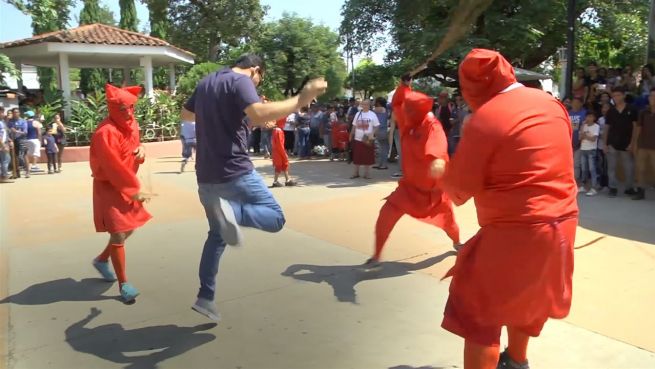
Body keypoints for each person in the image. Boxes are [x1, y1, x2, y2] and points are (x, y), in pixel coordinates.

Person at [438, 49, 578, 369]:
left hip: (515, 232)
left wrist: (440, 171)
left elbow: (459, 191)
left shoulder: (485, 119)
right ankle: (516, 361)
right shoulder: (551, 104)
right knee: (526, 301)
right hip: (563, 225)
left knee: (478, 314)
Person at [180, 53, 327, 321]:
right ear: (256, 70)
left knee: (217, 236)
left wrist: (234, 121)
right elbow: (259, 114)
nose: (256, 87)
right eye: (260, 81)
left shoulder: (207, 82)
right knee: (275, 217)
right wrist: (301, 100)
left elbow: (186, 114)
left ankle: (205, 297)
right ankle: (233, 213)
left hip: (206, 175)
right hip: (235, 172)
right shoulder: (242, 80)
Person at [365, 91, 460, 268]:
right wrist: (403, 85)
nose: (402, 112)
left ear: (417, 111)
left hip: (432, 192)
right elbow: (397, 102)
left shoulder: (432, 125)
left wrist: (438, 160)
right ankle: (376, 256)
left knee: (448, 222)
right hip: (408, 189)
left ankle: (457, 242)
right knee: (386, 213)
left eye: (407, 110)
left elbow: (438, 145)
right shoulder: (409, 119)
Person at [89, 84, 152, 303]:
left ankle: (102, 259)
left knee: (130, 228)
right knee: (118, 233)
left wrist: (142, 151)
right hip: (110, 188)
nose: (128, 113)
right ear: (113, 109)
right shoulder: (105, 132)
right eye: (123, 109)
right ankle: (124, 284)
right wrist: (134, 190)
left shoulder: (132, 124)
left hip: (128, 185)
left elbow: (137, 147)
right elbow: (112, 167)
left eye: (130, 108)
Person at [602, 87, 638, 197]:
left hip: (626, 142)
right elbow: (606, 128)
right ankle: (612, 188)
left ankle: (629, 187)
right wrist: (604, 144)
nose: (616, 98)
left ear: (623, 95)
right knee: (611, 167)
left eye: (618, 95)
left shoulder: (632, 109)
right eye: (614, 96)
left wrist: (633, 143)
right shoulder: (611, 111)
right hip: (612, 142)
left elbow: (635, 127)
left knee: (629, 167)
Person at [632, 87, 655, 200]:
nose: (652, 98)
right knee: (640, 169)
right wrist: (635, 144)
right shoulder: (643, 112)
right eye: (651, 96)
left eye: (654, 96)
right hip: (643, 146)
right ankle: (640, 191)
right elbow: (638, 129)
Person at [389, 73, 413, 178]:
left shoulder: (401, 90)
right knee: (404, 150)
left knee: (403, 150)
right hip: (405, 124)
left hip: (402, 125)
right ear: (409, 80)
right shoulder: (406, 91)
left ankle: (403, 170)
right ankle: (404, 170)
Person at [350, 99, 379, 179]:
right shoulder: (357, 114)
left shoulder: (372, 114)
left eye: (366, 104)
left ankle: (367, 174)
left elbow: (376, 126)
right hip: (358, 138)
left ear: (369, 105)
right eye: (363, 104)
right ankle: (356, 173)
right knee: (357, 157)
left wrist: (372, 133)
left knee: (368, 157)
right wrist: (351, 135)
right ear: (361, 105)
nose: (365, 106)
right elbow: (354, 125)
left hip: (368, 139)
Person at [271, 117, 297, 188]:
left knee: (284, 164)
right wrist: (284, 153)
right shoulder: (278, 131)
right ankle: (276, 181)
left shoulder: (276, 130)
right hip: (279, 151)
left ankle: (287, 180)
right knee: (280, 165)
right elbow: (279, 145)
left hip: (277, 150)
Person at [579, 111, 600, 196]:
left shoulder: (596, 126)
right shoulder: (584, 126)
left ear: (594, 118)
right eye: (587, 116)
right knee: (584, 169)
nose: (589, 118)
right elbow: (580, 137)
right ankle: (584, 186)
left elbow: (593, 139)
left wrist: (585, 136)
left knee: (592, 169)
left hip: (591, 150)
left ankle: (594, 187)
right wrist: (582, 127)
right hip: (583, 149)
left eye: (591, 117)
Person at [568, 97, 586, 187]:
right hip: (569, 142)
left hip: (581, 143)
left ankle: (576, 182)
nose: (575, 104)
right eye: (573, 102)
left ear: (581, 104)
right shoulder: (568, 113)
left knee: (577, 164)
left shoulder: (584, 113)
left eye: (577, 102)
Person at [23, 111, 43, 178]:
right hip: (34, 139)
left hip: (26, 140)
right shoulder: (35, 122)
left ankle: (28, 167)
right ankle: (34, 166)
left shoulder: (24, 122)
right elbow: (39, 132)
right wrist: (40, 140)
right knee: (36, 153)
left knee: (27, 154)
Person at [372, 97, 390, 170]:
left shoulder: (378, 109)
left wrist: (373, 103)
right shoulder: (386, 109)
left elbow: (372, 109)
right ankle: (382, 164)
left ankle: (382, 164)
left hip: (379, 130)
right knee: (384, 148)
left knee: (381, 148)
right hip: (384, 130)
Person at [0, 109, 13, 183]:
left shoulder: (2, 122)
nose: (3, 114)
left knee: (5, 159)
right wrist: (3, 145)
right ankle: (3, 176)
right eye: (1, 112)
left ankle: (3, 176)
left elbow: (5, 133)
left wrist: (9, 140)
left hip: (3, 143)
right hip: (1, 144)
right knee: (6, 160)